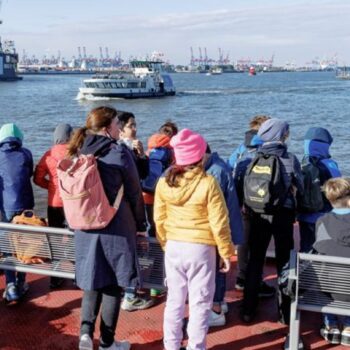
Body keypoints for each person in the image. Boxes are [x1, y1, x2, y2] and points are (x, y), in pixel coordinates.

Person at [67, 106, 146, 350]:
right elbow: (134, 193)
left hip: (84, 226)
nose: (117, 128)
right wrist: (141, 224)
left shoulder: (77, 152)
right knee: (113, 284)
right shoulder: (118, 153)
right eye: (114, 124)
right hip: (115, 227)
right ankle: (108, 343)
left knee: (92, 280)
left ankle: (85, 335)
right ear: (106, 129)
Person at [154, 128, 235, 350]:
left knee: (174, 300)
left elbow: (159, 218)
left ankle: (171, 345)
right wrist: (226, 251)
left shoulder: (164, 182)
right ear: (200, 156)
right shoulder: (208, 182)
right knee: (200, 303)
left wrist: (165, 242)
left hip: (173, 246)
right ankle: (195, 346)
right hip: (200, 248)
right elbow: (219, 221)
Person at [241, 118, 303, 324]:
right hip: (283, 216)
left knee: (255, 261)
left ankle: (248, 310)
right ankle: (285, 313)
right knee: (285, 263)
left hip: (258, 214)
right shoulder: (290, 159)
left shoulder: (252, 158)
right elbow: (300, 187)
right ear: (281, 135)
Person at [116, 111, 154, 311]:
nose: (135, 128)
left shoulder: (129, 149)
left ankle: (128, 288)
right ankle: (130, 293)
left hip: (127, 208)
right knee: (130, 248)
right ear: (120, 130)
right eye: (131, 125)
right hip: (127, 209)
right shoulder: (119, 151)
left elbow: (143, 175)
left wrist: (141, 156)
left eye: (135, 124)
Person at [203, 144, 243, 327]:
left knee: (217, 269)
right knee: (218, 268)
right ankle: (219, 304)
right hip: (223, 227)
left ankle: (216, 308)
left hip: (215, 229)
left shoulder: (215, 173)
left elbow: (218, 209)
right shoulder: (219, 167)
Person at [34, 123, 73, 288]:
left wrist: (50, 187)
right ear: (70, 135)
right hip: (73, 203)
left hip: (54, 202)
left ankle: (55, 278)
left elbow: (37, 178)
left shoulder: (48, 155)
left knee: (55, 239)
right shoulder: (75, 153)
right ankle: (78, 274)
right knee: (75, 237)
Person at [313, 177, 350, 346]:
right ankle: (349, 327)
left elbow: (321, 249)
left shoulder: (321, 222)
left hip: (329, 289)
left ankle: (331, 324)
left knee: (328, 272)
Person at [0, 123, 34, 302]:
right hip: (26, 206)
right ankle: (22, 280)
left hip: (5, 207)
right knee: (23, 244)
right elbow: (29, 173)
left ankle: (11, 284)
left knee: (8, 246)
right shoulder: (25, 153)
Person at [298, 127, 341, 253]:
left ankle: (304, 270)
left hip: (304, 215)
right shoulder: (329, 164)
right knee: (323, 248)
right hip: (323, 215)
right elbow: (339, 189)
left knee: (306, 246)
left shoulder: (302, 163)